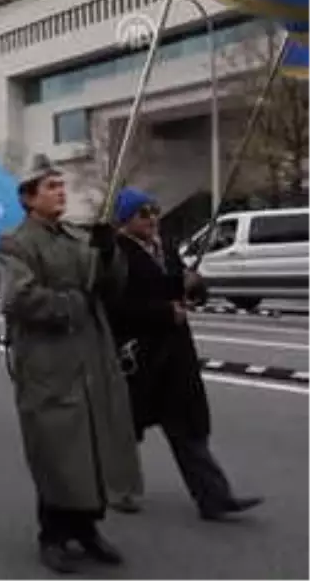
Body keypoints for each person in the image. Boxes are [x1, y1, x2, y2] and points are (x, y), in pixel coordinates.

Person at [0, 159, 141, 574]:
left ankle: (87, 527)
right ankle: (53, 534)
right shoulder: (15, 243)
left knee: (93, 444)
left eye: (61, 185)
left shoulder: (78, 237)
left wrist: (109, 252)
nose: (60, 192)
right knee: (56, 448)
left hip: (92, 353)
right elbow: (19, 299)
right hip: (48, 359)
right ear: (28, 197)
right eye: (50, 186)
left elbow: (110, 286)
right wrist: (73, 303)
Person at [107, 188, 263, 520]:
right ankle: (117, 488)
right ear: (124, 222)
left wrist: (193, 287)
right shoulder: (115, 256)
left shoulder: (165, 248)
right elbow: (115, 308)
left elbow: (182, 286)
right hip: (139, 357)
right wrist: (165, 313)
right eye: (143, 214)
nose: (152, 219)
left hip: (176, 356)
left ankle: (214, 497)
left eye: (154, 211)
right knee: (125, 430)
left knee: (188, 427)